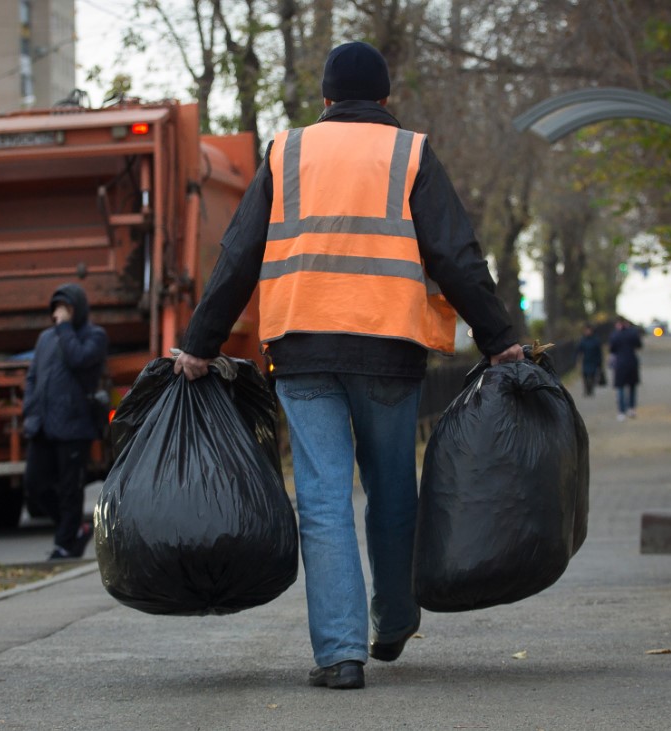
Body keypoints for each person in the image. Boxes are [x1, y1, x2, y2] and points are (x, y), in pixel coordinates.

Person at [172, 41, 524, 691]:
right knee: (392, 488)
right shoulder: (410, 151)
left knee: (323, 499)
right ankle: (391, 619)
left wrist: (199, 343)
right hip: (389, 349)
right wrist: (499, 336)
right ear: (384, 99)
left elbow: (239, 253)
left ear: (326, 99)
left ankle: (339, 653)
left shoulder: (287, 151)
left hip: (303, 349)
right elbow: (455, 254)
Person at [22, 283, 108, 560]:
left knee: (71, 488)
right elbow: (34, 375)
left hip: (74, 425)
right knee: (34, 484)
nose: (60, 314)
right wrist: (30, 407)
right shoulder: (45, 338)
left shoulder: (94, 336)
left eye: (66, 308)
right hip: (43, 424)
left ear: (77, 309)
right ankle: (74, 530)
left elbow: (79, 359)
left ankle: (64, 543)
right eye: (57, 308)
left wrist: (65, 328)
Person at [608, 317, 643, 421]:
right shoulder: (633, 333)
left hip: (620, 363)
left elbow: (612, 349)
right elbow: (639, 345)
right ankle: (631, 408)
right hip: (631, 362)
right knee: (632, 387)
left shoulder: (615, 335)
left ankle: (621, 411)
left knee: (620, 388)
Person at [574, 324, 604, 397]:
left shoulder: (596, 340)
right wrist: (576, 358)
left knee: (592, 376)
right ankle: (586, 389)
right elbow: (578, 350)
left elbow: (599, 352)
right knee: (585, 376)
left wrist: (600, 362)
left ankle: (590, 389)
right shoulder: (583, 340)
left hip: (594, 361)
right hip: (586, 361)